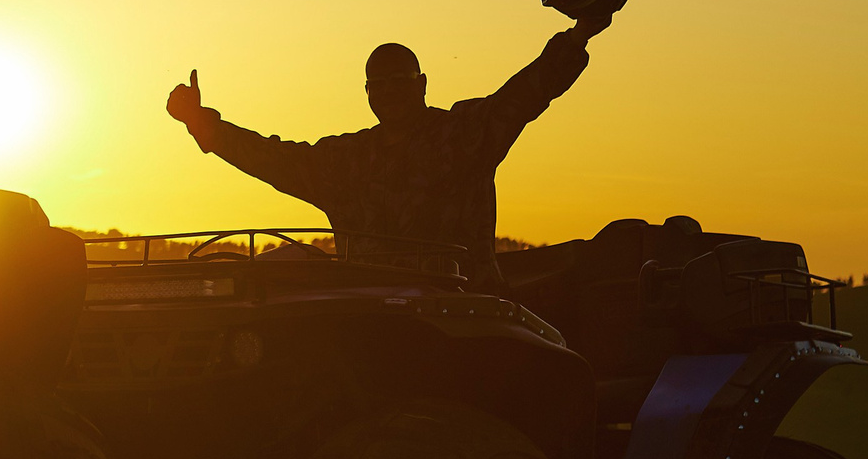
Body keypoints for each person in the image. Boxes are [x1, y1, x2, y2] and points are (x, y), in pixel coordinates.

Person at [163, 15, 612, 283]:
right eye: (378, 84)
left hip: (463, 315)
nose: (389, 92)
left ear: (422, 84)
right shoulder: (345, 161)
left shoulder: (463, 134)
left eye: (399, 81)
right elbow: (273, 158)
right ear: (367, 93)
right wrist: (202, 124)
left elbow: (525, 94)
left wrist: (579, 36)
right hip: (368, 319)